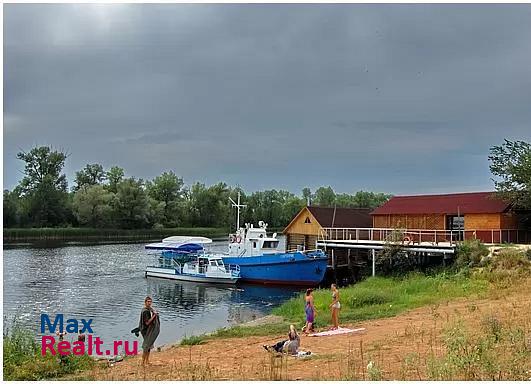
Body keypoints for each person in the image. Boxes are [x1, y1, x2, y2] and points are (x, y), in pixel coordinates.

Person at [139, 296, 160, 366]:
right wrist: (154, 315)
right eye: (148, 302)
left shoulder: (148, 309)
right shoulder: (145, 311)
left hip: (147, 329)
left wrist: (153, 311)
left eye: (150, 302)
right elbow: (147, 323)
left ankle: (147, 361)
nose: (149, 303)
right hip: (145, 330)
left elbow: (151, 309)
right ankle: (143, 362)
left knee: (149, 345)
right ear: (145, 302)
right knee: (147, 346)